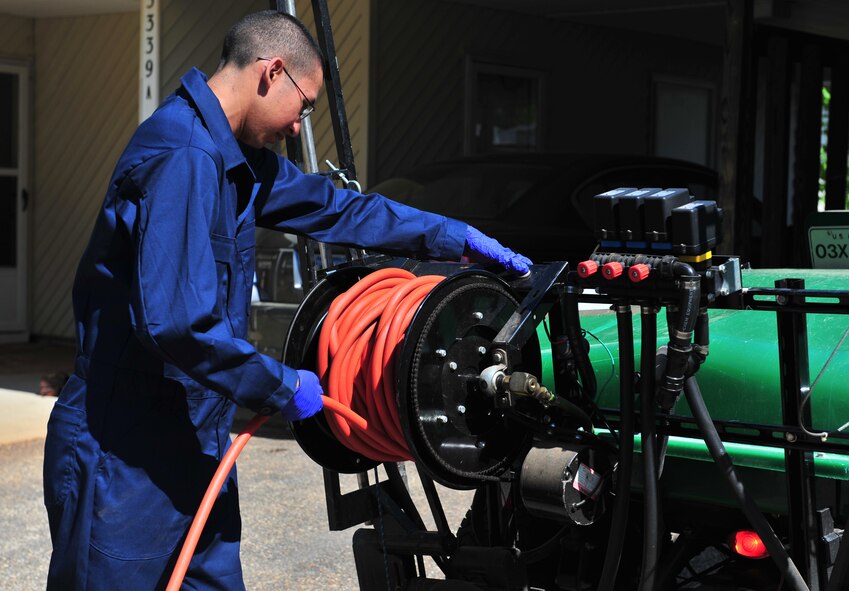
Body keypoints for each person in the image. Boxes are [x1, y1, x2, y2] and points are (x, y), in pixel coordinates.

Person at [42, 10, 531, 591]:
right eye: (303, 106)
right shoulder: (185, 158)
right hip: (123, 454)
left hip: (192, 442)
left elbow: (341, 209)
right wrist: (279, 385)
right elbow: (176, 324)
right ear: (271, 72)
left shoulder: (235, 160)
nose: (301, 127)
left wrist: (452, 238)